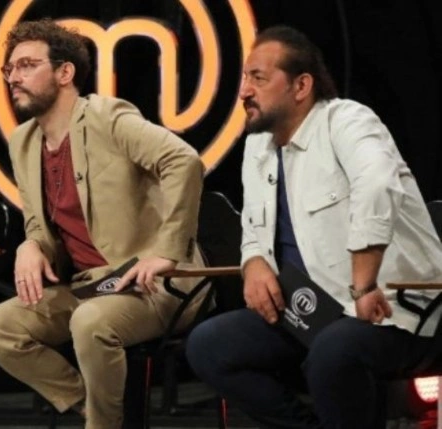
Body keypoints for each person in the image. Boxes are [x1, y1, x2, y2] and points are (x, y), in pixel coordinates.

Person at [185, 25, 442, 429]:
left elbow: (377, 184)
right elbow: (253, 223)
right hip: (311, 311)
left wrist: (363, 283)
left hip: (392, 308)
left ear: (301, 85)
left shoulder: (348, 120)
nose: (244, 91)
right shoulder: (258, 145)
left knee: (334, 352)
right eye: (245, 78)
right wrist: (253, 261)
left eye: (258, 78)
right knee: (209, 345)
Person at [0, 19, 207, 429]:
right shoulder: (23, 141)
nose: (13, 78)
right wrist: (31, 245)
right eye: (9, 69)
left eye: (27, 65)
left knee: (90, 322)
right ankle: (91, 407)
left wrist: (167, 251)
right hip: (90, 285)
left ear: (65, 73)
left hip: (153, 285)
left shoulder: (107, 117)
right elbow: (39, 223)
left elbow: (183, 161)